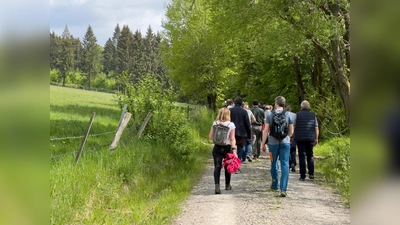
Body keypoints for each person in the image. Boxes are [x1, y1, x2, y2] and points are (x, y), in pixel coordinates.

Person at [262, 96, 294, 197]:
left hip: (272, 143)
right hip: (285, 143)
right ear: (284, 104)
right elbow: (291, 131)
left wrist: (262, 144)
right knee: (285, 164)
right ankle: (283, 189)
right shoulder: (289, 114)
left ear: (276, 103)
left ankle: (275, 184)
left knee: (273, 162)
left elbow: (266, 130)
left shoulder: (269, 114)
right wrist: (287, 137)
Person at [209, 108, 237, 194]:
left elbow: (210, 137)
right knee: (228, 167)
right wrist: (234, 151)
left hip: (217, 147)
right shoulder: (231, 124)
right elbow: (232, 139)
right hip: (227, 148)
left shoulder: (215, 123)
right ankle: (227, 185)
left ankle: (217, 186)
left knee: (217, 166)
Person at [293, 100, 319, 181]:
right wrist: (316, 138)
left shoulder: (297, 115)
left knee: (301, 156)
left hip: (300, 138)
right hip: (310, 138)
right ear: (309, 107)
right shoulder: (313, 115)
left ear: (301, 107)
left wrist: (292, 136)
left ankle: (302, 175)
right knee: (310, 155)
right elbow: (316, 128)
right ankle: (311, 173)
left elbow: (293, 126)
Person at [229, 97, 252, 168]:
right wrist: (249, 135)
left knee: (231, 147)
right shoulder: (244, 112)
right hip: (242, 133)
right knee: (240, 149)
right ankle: (237, 164)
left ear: (234, 103)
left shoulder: (230, 110)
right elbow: (247, 124)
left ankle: (231, 162)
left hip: (231, 132)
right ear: (241, 103)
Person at [285, 104, 297, 172]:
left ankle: (289, 164)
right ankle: (293, 162)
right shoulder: (294, 115)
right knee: (293, 150)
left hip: (286, 135)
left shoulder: (284, 115)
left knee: (287, 150)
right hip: (294, 134)